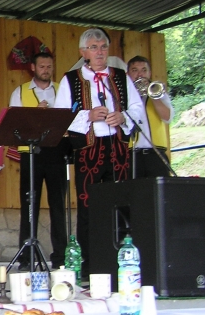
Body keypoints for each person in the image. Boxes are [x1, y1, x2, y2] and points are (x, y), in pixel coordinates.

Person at [54, 28, 144, 276]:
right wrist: (88, 115)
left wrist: (123, 117)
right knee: (88, 205)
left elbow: (137, 108)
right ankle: (90, 265)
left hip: (118, 147)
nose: (100, 52)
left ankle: (121, 262)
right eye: (93, 48)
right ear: (83, 52)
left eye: (103, 47)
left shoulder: (120, 76)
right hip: (89, 149)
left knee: (121, 202)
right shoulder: (71, 79)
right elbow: (61, 116)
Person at [8, 52, 68, 269]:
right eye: (42, 66)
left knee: (58, 206)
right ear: (33, 68)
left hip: (57, 151)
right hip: (31, 152)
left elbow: (72, 118)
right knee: (29, 205)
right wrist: (35, 115)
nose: (46, 70)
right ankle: (27, 257)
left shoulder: (62, 89)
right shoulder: (20, 91)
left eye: (49, 66)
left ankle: (60, 257)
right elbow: (13, 123)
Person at [127, 55, 174, 178]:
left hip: (156, 153)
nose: (140, 75)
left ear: (149, 73)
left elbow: (167, 118)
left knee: (159, 189)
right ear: (128, 74)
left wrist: (153, 95)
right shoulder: (124, 96)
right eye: (135, 70)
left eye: (144, 70)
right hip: (130, 154)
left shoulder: (159, 93)